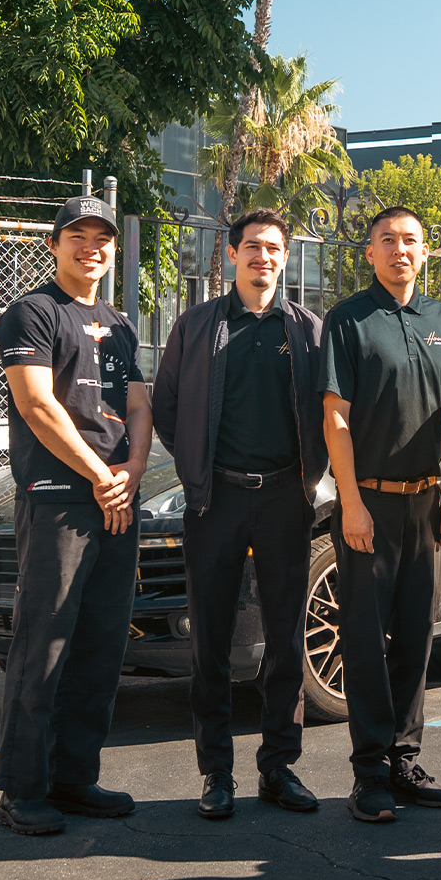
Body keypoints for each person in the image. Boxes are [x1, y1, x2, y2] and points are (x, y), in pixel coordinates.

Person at [152, 208, 327, 820]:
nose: (262, 257)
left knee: (284, 638)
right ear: (231, 256)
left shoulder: (309, 331)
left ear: (285, 257)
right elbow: (167, 409)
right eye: (251, 246)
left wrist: (307, 478)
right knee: (212, 641)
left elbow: (328, 417)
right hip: (215, 500)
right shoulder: (197, 325)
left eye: (273, 248)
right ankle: (216, 772)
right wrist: (199, 467)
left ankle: (278, 767)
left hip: (285, 498)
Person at [0, 195, 152, 835]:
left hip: (115, 499)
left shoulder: (118, 322)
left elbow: (138, 406)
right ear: (55, 245)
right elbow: (36, 405)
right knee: (45, 642)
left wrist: (133, 473)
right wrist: (97, 473)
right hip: (61, 499)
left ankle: (75, 778)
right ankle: (22, 790)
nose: (92, 247)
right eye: (78, 236)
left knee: (103, 643)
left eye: (102, 238)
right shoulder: (32, 313)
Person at [320, 206, 441, 823]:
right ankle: (369, 773)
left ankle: (406, 760)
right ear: (370, 253)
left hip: (426, 502)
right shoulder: (348, 320)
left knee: (415, 638)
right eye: (388, 241)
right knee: (363, 639)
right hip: (369, 504)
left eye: (410, 241)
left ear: (426, 252)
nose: (399, 250)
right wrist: (351, 502)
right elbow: (335, 419)